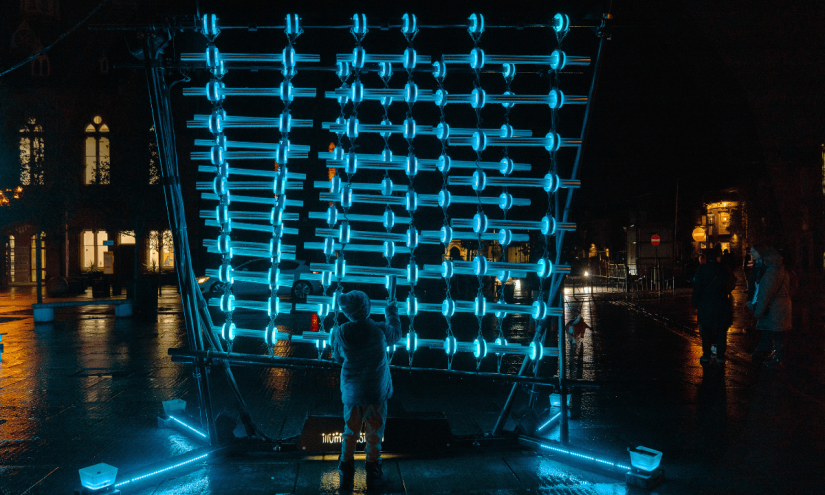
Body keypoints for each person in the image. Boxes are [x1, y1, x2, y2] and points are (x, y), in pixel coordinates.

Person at [332, 290, 401, 485]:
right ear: (367, 308)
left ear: (348, 313)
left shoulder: (341, 331)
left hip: (352, 392)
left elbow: (337, 358)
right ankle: (373, 467)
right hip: (375, 392)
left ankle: (345, 466)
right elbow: (396, 333)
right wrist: (391, 310)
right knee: (375, 432)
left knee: (350, 431)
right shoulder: (379, 330)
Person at [691, 246, 736, 365]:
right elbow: (731, 285)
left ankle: (707, 355)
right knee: (720, 331)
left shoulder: (702, 270)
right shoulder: (724, 269)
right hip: (721, 304)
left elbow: (697, 289)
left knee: (706, 332)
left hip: (705, 305)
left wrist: (694, 304)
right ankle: (718, 355)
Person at [750, 246, 792, 369]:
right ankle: (777, 357)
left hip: (774, 309)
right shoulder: (784, 272)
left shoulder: (769, 275)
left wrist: (757, 313)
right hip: (785, 306)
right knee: (779, 333)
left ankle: (777, 359)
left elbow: (764, 296)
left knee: (774, 333)